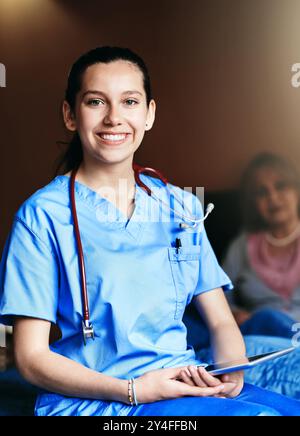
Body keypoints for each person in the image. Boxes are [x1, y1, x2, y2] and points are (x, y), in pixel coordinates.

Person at [0, 47, 299, 416]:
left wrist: (231, 369)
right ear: (70, 115)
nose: (114, 118)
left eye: (129, 101)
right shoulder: (41, 216)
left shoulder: (182, 207)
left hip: (181, 385)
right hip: (101, 402)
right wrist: (133, 390)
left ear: (149, 114)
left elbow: (221, 321)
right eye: (96, 102)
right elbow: (30, 358)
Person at [223, 153, 300, 338]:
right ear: (253, 203)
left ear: (296, 191)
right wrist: (234, 315)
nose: (273, 197)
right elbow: (218, 297)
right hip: (264, 340)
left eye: (280, 186)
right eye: (262, 192)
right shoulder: (241, 246)